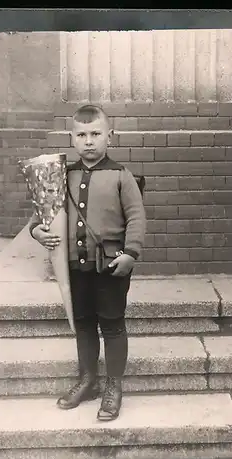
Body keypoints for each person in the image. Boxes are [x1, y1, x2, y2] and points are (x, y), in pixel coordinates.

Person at [29, 105, 146, 421]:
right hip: (74, 267)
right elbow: (44, 213)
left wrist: (131, 254)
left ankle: (114, 386)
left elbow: (136, 217)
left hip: (111, 266)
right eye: (81, 135)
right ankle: (88, 379)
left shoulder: (122, 176)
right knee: (82, 324)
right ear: (72, 138)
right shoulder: (62, 176)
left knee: (112, 323)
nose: (89, 141)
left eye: (96, 134)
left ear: (111, 136)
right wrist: (37, 230)